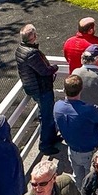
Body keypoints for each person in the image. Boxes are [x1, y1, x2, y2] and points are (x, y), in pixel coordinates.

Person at [53, 75, 98, 187]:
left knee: (78, 178)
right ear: (81, 89)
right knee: (91, 181)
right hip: (89, 152)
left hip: (72, 149)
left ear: (64, 90)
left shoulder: (57, 107)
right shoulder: (88, 109)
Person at [15, 23, 61, 155]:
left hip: (33, 88)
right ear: (33, 36)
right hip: (41, 90)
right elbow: (45, 71)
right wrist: (55, 67)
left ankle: (51, 137)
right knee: (47, 117)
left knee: (45, 115)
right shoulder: (32, 53)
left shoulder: (20, 49)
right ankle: (45, 145)